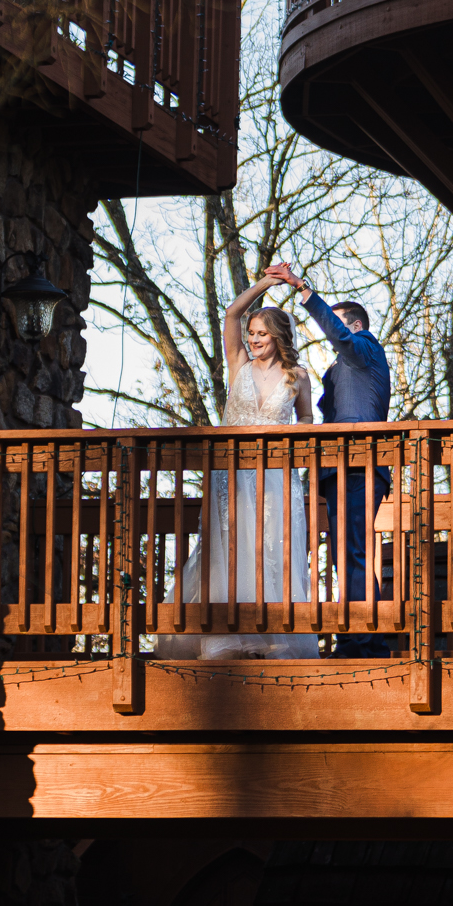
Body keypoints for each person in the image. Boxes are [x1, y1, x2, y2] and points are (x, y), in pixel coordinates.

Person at [154, 270, 320, 660]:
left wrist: (294, 439)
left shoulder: (297, 376)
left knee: (271, 547)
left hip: (277, 475)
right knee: (229, 548)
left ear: (278, 337)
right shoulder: (238, 364)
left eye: (262, 334)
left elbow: (308, 420)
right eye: (252, 333)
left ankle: (273, 638)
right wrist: (266, 285)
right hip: (232, 474)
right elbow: (231, 315)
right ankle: (224, 637)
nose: (254, 339)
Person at [267, 262, 393, 657]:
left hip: (358, 464)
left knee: (352, 551)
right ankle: (360, 635)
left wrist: (303, 289)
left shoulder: (365, 348)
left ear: (355, 326)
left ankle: (363, 641)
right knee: (345, 553)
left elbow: (339, 336)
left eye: (340, 326)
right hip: (341, 468)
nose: (334, 335)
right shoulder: (348, 365)